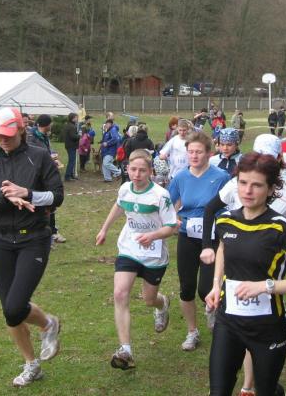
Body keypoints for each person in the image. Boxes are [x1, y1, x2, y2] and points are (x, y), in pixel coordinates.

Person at [0, 107, 64, 387]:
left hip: (33, 238)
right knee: (10, 311)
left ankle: (48, 324)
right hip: (1, 240)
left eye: (8, 135)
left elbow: (57, 197)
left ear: (21, 130)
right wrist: (2, 196)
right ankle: (31, 364)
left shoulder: (39, 156)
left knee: (15, 306)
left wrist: (28, 193)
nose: (3, 140)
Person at [206, 152, 286, 396]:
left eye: (256, 185)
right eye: (243, 183)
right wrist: (216, 285)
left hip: (268, 328)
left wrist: (264, 286)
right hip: (229, 322)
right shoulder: (225, 220)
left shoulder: (280, 227)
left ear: (270, 189)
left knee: (266, 390)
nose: (247, 191)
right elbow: (223, 249)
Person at [95, 150, 178, 370]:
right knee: (120, 293)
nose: (137, 174)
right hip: (129, 247)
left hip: (154, 253)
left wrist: (153, 235)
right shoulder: (125, 188)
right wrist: (104, 229)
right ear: (127, 169)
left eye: (142, 170)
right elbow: (119, 205)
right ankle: (126, 350)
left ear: (150, 171)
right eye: (133, 169)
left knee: (149, 299)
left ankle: (162, 304)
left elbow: (171, 227)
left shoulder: (160, 195)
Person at [168, 131, 230, 351]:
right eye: (190, 152)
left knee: (205, 289)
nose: (194, 156)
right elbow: (167, 203)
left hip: (212, 238)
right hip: (187, 236)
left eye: (199, 152)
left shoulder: (221, 177)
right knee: (186, 288)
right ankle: (192, 332)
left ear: (209, 153)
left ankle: (211, 308)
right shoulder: (180, 177)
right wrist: (173, 219)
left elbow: (230, 205)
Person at [28, 115, 65, 244]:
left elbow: (48, 150)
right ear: (46, 125)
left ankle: (52, 232)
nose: (52, 125)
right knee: (40, 206)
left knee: (51, 204)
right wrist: (50, 159)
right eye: (50, 123)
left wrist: (53, 156)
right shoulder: (32, 138)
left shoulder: (44, 137)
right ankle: (42, 235)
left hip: (48, 174)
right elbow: (33, 157)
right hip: (37, 177)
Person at [100, 119, 123, 183]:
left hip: (111, 150)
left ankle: (119, 172)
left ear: (110, 124)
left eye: (107, 124)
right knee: (104, 164)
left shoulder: (113, 130)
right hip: (106, 150)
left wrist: (107, 143)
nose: (106, 125)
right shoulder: (108, 131)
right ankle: (107, 178)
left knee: (106, 163)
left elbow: (115, 139)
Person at [62, 113, 80, 181]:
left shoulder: (68, 125)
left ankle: (71, 175)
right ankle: (67, 176)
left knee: (72, 161)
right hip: (71, 146)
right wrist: (79, 136)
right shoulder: (72, 126)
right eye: (76, 117)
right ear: (72, 118)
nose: (77, 119)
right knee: (71, 161)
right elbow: (73, 137)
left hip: (69, 145)